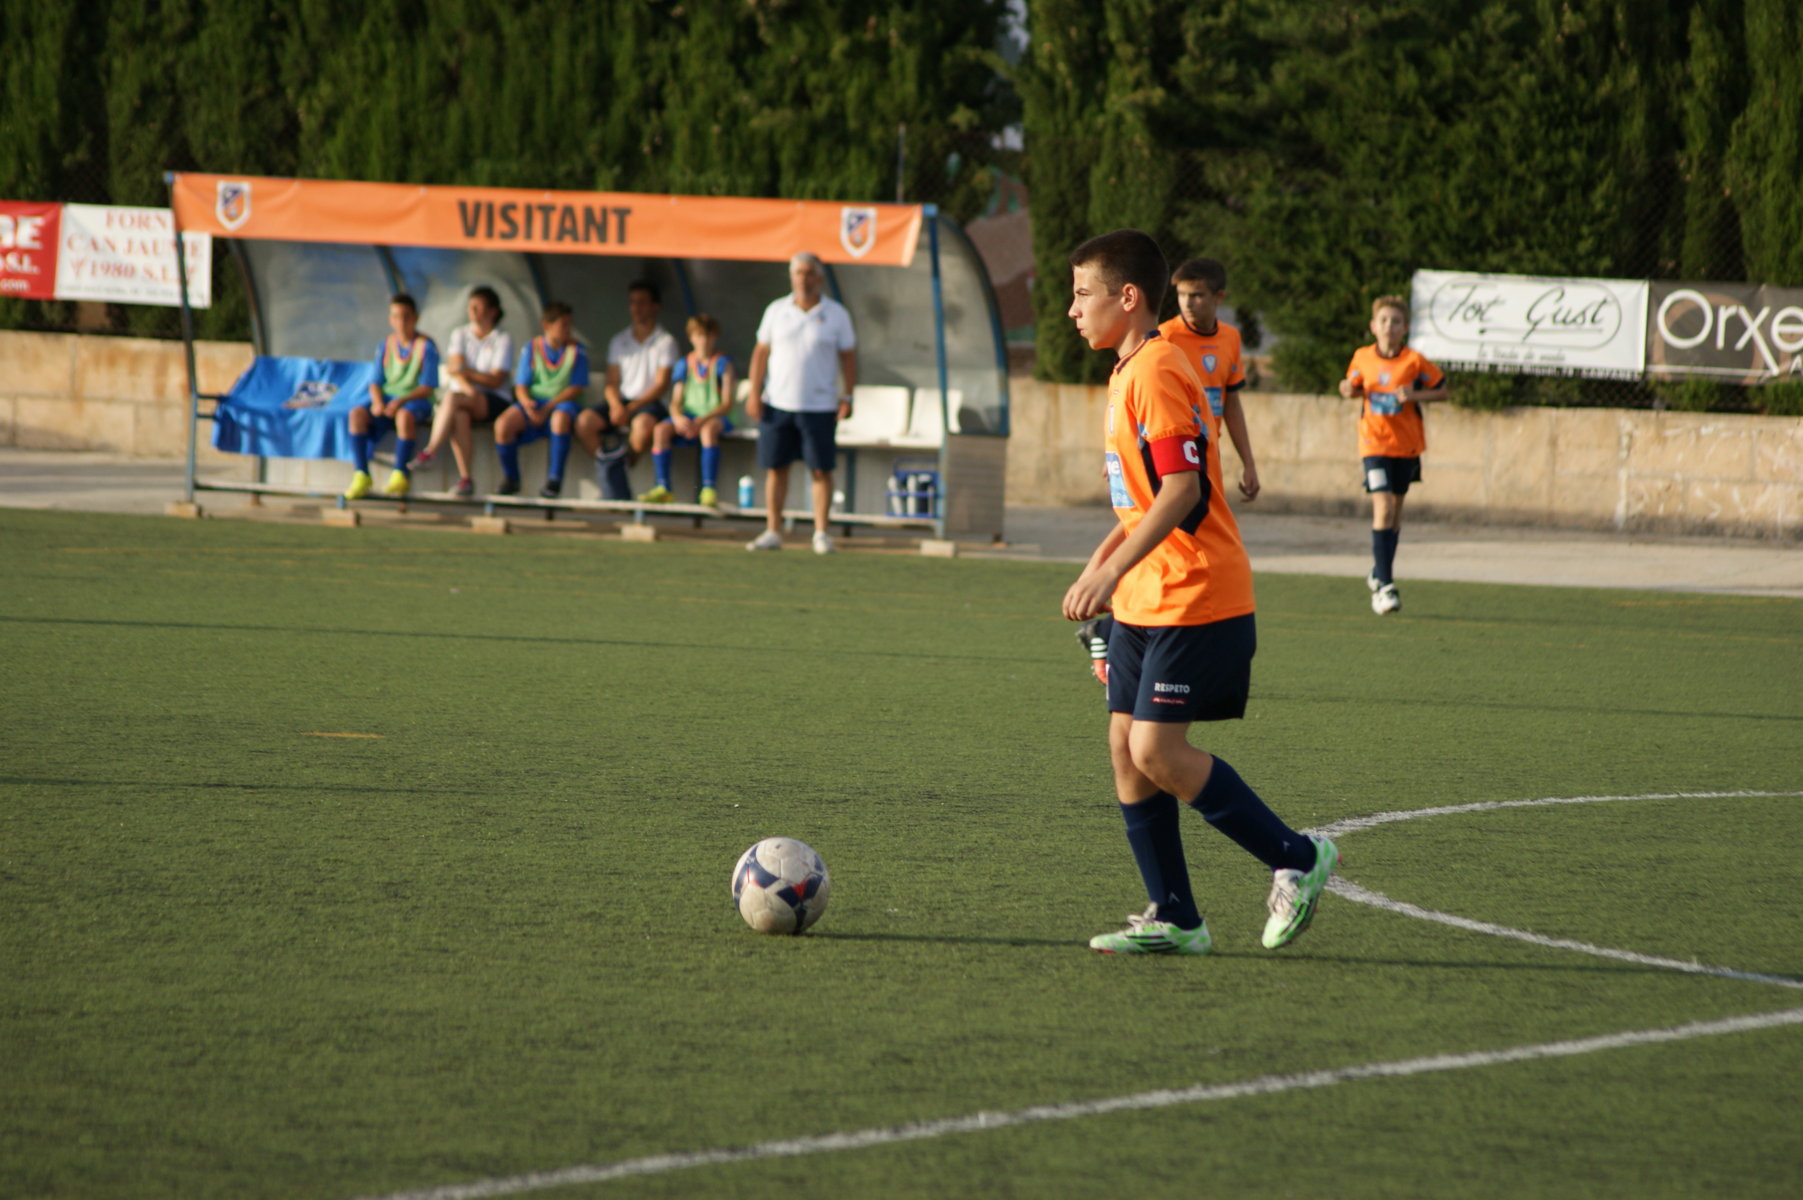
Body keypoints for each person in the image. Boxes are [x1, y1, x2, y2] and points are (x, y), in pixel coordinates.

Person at [1062, 228, 1337, 957]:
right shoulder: (1128, 370)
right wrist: (1103, 561)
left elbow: (1183, 492)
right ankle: (1176, 916)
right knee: (1125, 748)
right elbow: (1142, 499)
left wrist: (1109, 573)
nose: (1072, 310)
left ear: (1127, 298)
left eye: (1083, 294)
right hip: (1145, 596)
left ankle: (1298, 856)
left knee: (1155, 749)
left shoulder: (1156, 370)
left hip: (1195, 592)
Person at [1338, 295, 1448, 615]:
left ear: (1405, 328)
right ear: (1373, 326)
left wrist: (1415, 395)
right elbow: (1351, 385)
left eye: (1396, 321)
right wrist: (1347, 388)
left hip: (1407, 445)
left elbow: (1442, 390)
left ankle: (1379, 570)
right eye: (1384, 320)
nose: (1389, 326)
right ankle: (1385, 586)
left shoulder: (1414, 361)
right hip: (1373, 444)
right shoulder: (1362, 357)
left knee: (1395, 514)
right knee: (1383, 507)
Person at [744, 252, 857, 554]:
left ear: (819, 277)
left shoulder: (836, 314)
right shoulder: (776, 311)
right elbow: (761, 353)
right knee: (776, 468)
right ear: (791, 276)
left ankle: (821, 533)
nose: (803, 279)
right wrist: (754, 392)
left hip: (820, 405)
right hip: (778, 403)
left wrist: (847, 395)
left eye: (809, 273)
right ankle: (773, 530)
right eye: (798, 273)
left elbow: (848, 356)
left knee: (820, 469)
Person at [1158, 257, 1259, 502]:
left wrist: (1248, 463)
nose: (1187, 303)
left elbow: (1231, 403)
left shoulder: (1230, 337)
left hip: (1210, 451)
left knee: (1209, 520)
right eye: (1182, 295)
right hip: (1174, 451)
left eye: (1197, 295)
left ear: (1219, 297)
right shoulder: (1165, 337)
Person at [576, 279, 678, 497]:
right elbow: (611, 382)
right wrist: (616, 406)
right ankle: (613, 469)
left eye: (642, 303)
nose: (636, 308)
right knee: (584, 422)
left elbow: (661, 385)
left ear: (655, 306)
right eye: (633, 302)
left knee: (642, 427)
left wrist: (630, 409)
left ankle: (616, 472)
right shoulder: (619, 340)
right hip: (622, 402)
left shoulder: (666, 342)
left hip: (650, 403)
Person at [413, 286, 513, 498]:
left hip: (494, 400)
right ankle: (466, 479)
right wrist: (470, 388)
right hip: (466, 398)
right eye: (471, 307)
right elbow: (454, 369)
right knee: (459, 414)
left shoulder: (502, 338)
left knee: (452, 398)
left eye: (478, 307)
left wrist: (466, 372)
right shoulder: (460, 334)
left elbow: (495, 380)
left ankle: (431, 451)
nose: (473, 311)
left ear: (492, 311)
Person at [344, 293, 439, 499]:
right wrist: (378, 402)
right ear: (390, 319)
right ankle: (361, 473)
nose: (401, 322)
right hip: (389, 401)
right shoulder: (385, 345)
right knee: (357, 414)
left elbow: (428, 386)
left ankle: (400, 473)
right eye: (396, 316)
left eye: (406, 316)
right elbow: (375, 382)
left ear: (415, 318)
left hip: (414, 401)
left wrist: (401, 401)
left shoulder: (426, 346)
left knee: (404, 416)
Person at [494, 301, 588, 498]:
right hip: (535, 403)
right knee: (503, 424)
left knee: (559, 419)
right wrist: (527, 405)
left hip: (561, 404)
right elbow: (521, 385)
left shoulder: (576, 350)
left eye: (570, 325)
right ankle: (511, 478)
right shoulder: (531, 348)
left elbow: (576, 387)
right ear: (547, 325)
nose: (568, 330)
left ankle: (554, 481)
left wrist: (548, 408)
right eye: (564, 325)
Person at [640, 314, 736, 507]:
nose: (704, 341)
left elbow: (726, 403)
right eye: (699, 335)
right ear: (691, 337)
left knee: (708, 431)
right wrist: (677, 417)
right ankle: (663, 487)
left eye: (708, 336)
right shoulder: (684, 364)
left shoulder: (723, 364)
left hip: (715, 416)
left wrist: (702, 419)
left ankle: (708, 489)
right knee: (660, 430)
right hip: (690, 417)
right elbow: (676, 401)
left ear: (715, 337)